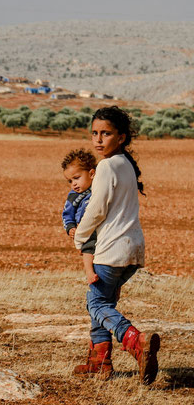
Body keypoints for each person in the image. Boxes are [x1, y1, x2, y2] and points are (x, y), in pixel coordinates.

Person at [72, 106, 160, 385]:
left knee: (95, 302)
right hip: (133, 249)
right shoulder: (125, 164)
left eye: (106, 133)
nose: (98, 140)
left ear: (121, 137)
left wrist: (79, 236)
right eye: (94, 133)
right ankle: (100, 362)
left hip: (111, 249)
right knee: (104, 301)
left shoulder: (107, 166)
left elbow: (96, 209)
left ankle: (135, 341)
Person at [61, 148, 98, 285]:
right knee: (88, 248)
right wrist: (70, 227)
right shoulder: (73, 196)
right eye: (70, 181)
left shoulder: (99, 188)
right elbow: (66, 214)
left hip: (102, 227)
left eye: (76, 178)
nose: (73, 184)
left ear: (92, 173)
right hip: (86, 229)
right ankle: (89, 273)